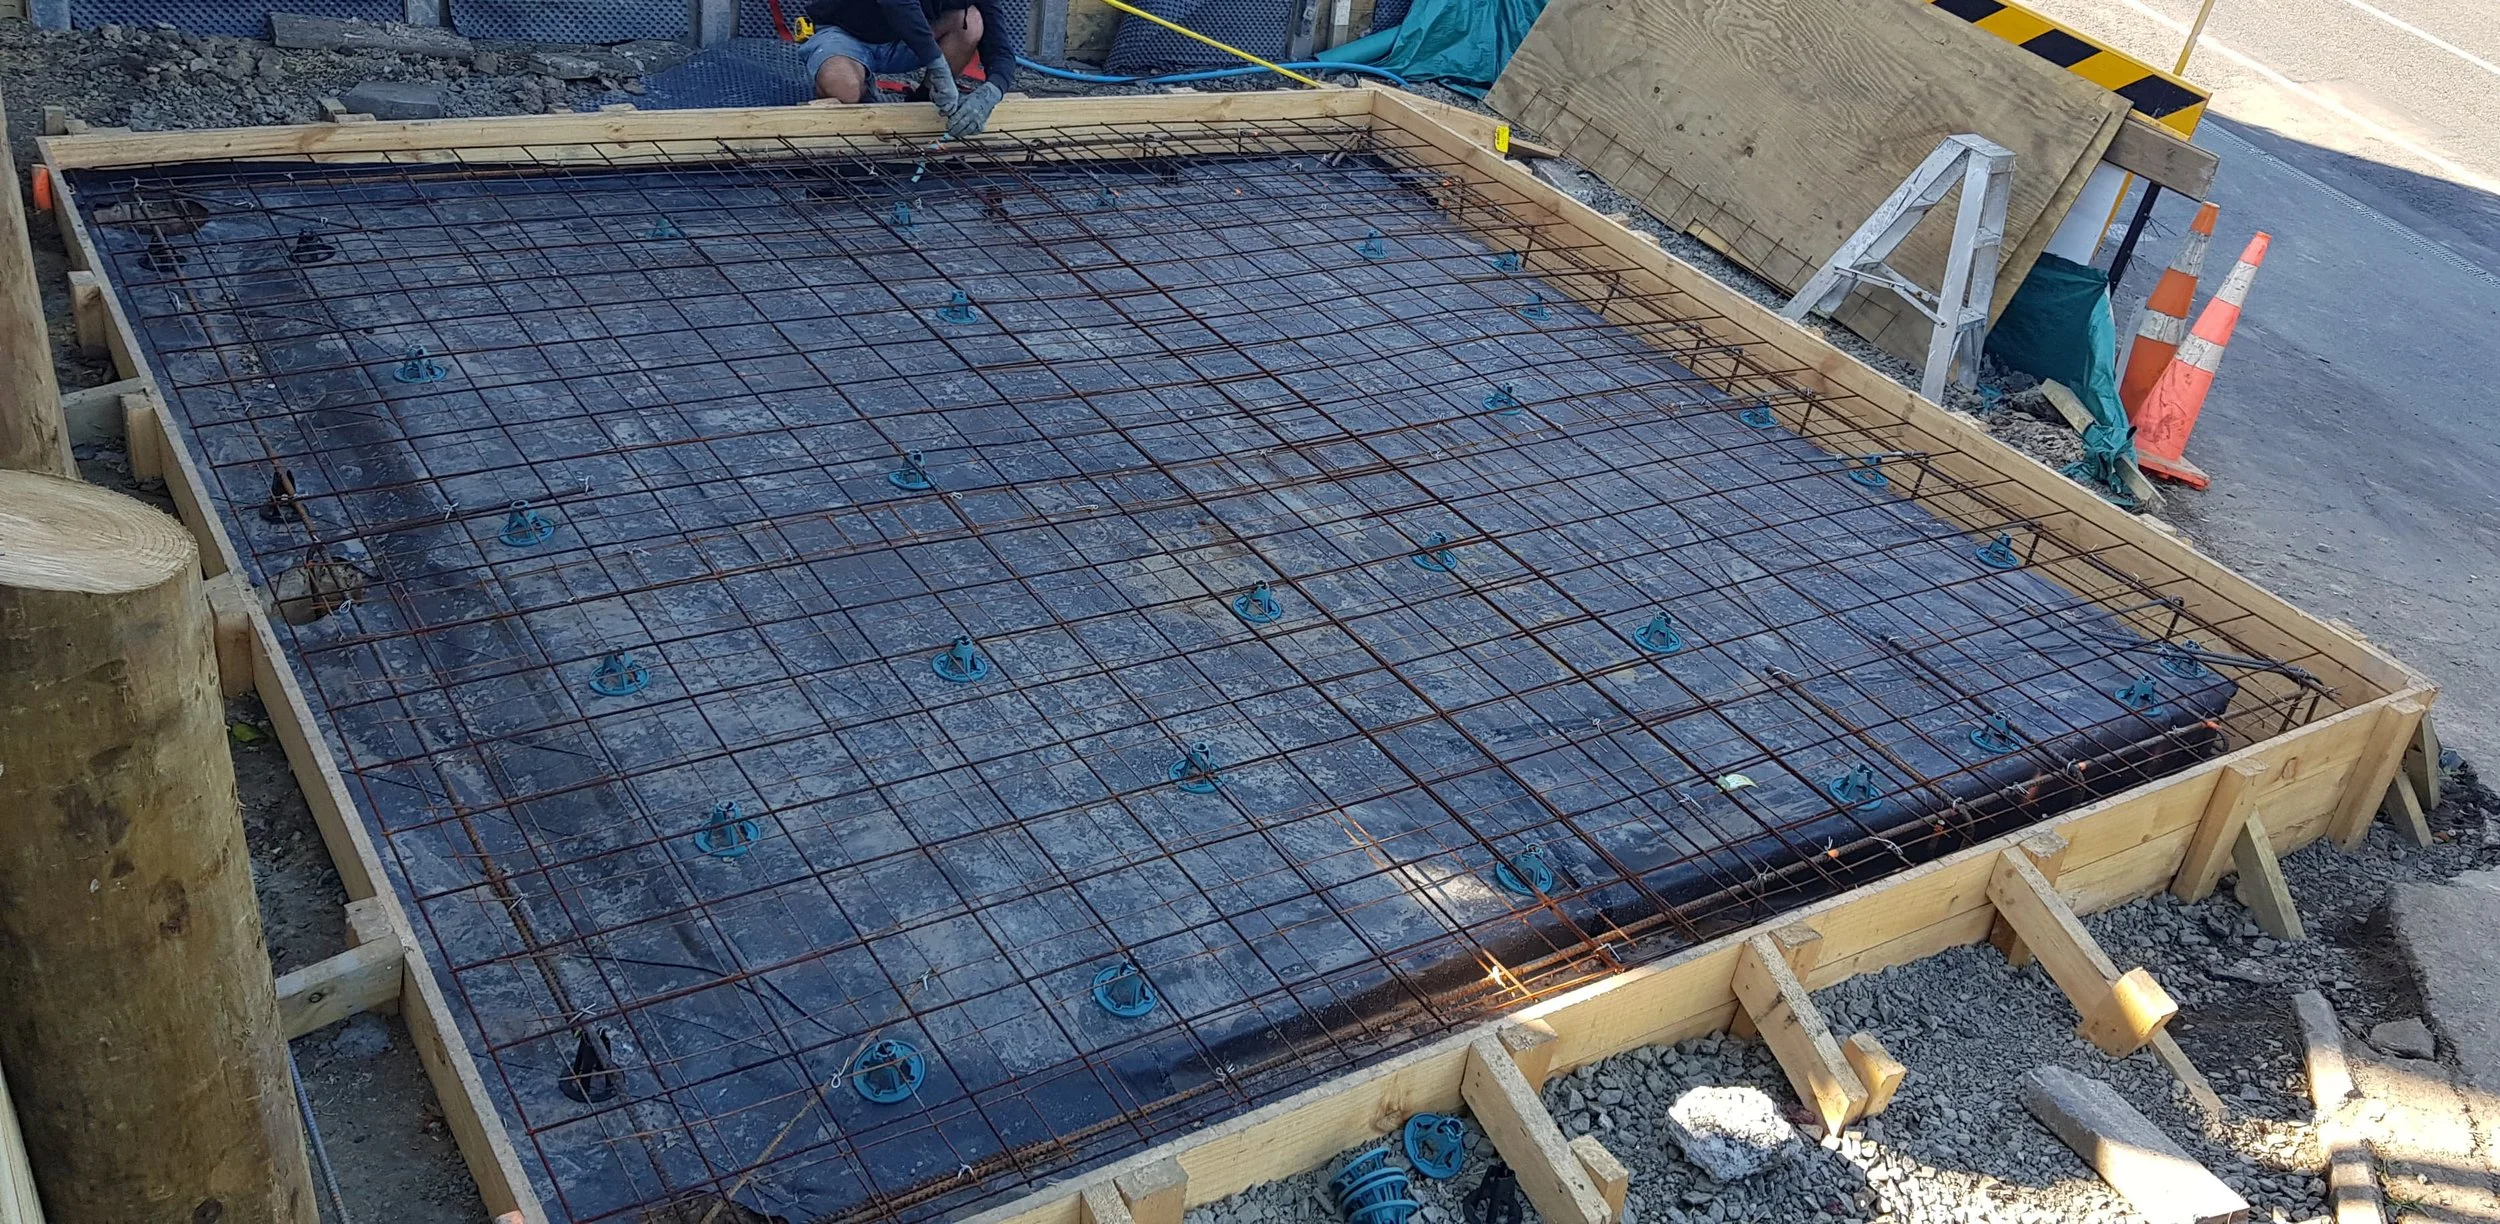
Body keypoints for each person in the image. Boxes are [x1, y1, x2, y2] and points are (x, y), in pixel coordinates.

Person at [800, 0, 1017, 139]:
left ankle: (927, 101)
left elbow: (1000, 48)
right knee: (842, 88)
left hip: (910, 40)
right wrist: (938, 66)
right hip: (846, 33)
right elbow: (898, 4)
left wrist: (992, 92)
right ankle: (864, 96)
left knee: (972, 22)